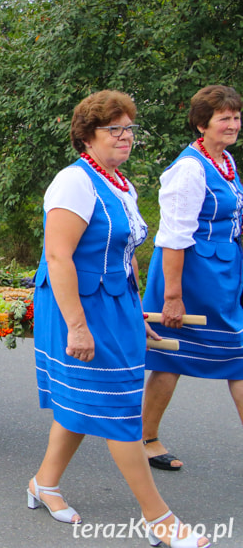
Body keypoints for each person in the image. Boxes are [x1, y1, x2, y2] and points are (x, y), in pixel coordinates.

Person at [29, 90, 209, 547]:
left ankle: (43, 483)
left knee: (91, 400)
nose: (125, 136)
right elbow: (58, 256)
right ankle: (159, 519)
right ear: (88, 137)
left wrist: (134, 311)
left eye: (129, 128)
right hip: (79, 305)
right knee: (118, 410)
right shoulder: (73, 183)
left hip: (114, 304)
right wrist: (76, 325)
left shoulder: (118, 183)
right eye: (115, 129)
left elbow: (125, 253)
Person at [141, 85, 243, 471]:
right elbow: (173, 237)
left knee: (229, 357)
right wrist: (172, 297)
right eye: (224, 118)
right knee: (174, 356)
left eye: (236, 117)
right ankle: (146, 438)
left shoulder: (225, 162)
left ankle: (145, 435)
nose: (233, 124)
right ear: (203, 124)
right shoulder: (189, 169)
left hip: (223, 274)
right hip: (189, 276)